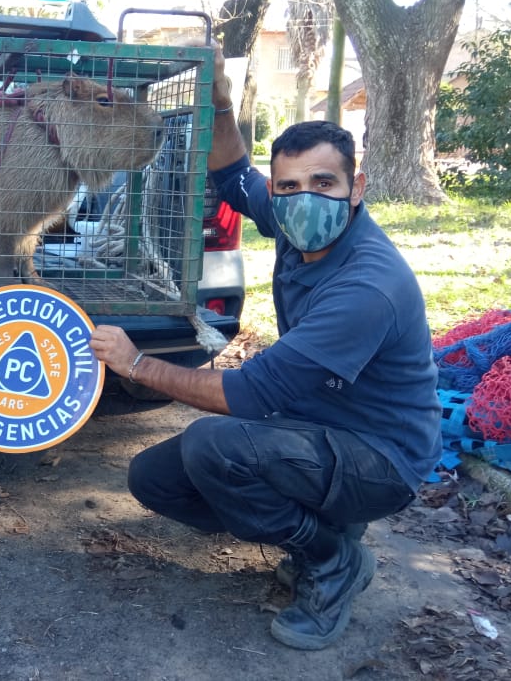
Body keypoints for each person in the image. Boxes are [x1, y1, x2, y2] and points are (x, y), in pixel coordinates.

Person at [89, 47, 442, 651]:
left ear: (355, 188)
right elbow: (232, 174)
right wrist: (222, 105)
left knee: (214, 446)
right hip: (318, 428)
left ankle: (331, 559)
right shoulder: (296, 224)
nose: (306, 198)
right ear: (278, 193)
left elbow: (250, 394)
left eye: (324, 183)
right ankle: (323, 523)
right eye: (290, 186)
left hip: (383, 457)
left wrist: (137, 364)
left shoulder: (366, 287)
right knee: (155, 480)